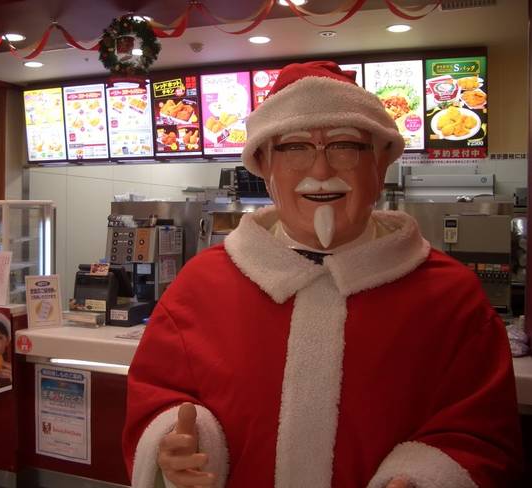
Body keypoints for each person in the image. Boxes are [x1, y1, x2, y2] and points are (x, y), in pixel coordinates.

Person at [122, 62, 523, 488]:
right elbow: (155, 399)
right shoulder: (201, 286)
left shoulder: (449, 296)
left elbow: (482, 436)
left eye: (345, 146)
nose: (319, 170)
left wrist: (429, 477)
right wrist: (176, 447)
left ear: (382, 162)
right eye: (294, 147)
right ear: (263, 166)